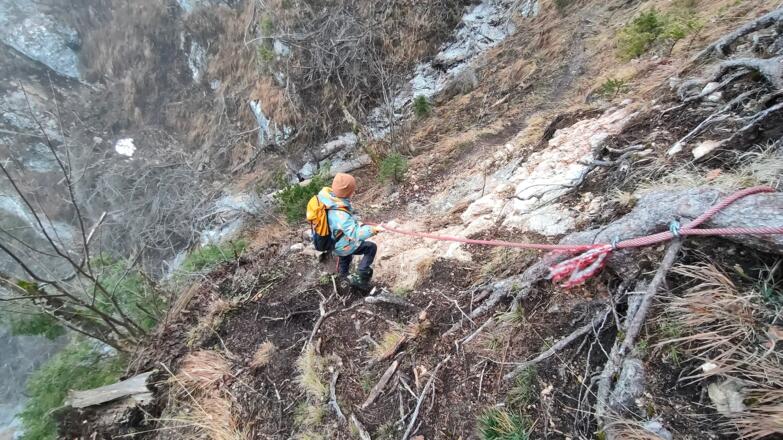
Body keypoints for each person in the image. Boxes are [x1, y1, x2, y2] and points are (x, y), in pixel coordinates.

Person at [316, 173, 384, 289]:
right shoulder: (340, 212)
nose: (354, 192)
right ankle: (360, 276)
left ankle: (344, 278)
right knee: (371, 247)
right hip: (344, 245)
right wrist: (374, 229)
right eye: (352, 190)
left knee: (345, 257)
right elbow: (355, 234)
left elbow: (341, 225)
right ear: (348, 193)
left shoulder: (328, 202)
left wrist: (357, 223)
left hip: (335, 244)